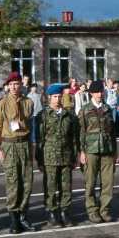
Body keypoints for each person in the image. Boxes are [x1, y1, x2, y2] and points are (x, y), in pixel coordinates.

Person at [0, 71, 36, 233]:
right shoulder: (3, 103)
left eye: (16, 84)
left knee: (27, 181)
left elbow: (30, 127)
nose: (14, 87)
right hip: (9, 145)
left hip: (24, 144)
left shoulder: (28, 102)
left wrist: (31, 147)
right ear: (7, 86)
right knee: (13, 182)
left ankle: (23, 215)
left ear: (21, 85)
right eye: (11, 84)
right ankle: (13, 217)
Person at [36, 84, 79, 228]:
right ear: (49, 97)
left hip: (66, 157)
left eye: (60, 97)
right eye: (55, 97)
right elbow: (40, 139)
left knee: (66, 187)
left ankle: (64, 212)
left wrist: (74, 157)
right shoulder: (43, 115)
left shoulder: (68, 114)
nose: (57, 99)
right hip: (50, 158)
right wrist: (39, 160)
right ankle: (52, 213)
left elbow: (73, 137)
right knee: (50, 187)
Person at [79, 79, 118, 223]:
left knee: (108, 183)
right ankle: (92, 211)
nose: (99, 94)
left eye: (101, 92)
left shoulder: (107, 109)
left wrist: (115, 150)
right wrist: (82, 152)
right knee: (90, 183)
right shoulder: (85, 110)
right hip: (91, 150)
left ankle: (104, 211)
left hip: (107, 150)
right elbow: (81, 132)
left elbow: (112, 132)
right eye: (96, 92)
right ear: (91, 94)